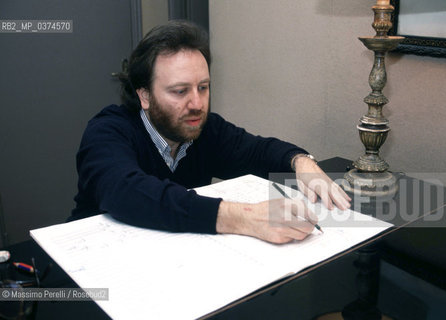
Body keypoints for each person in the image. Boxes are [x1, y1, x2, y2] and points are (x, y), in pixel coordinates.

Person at [71, 21, 351, 244]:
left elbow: (258, 151)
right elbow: (125, 192)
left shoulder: (205, 128)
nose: (197, 104)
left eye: (203, 87)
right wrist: (245, 218)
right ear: (144, 95)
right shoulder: (108, 130)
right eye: (180, 91)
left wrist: (302, 163)